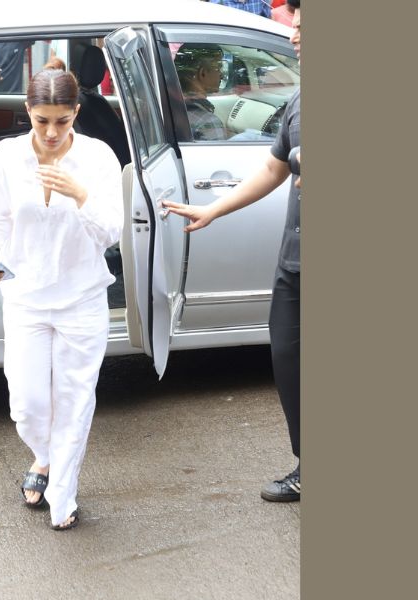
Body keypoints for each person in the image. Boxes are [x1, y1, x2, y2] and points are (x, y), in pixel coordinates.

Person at [163, 0, 302, 502]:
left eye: (304, 24)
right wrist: (215, 210)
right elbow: (273, 168)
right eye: (295, 22)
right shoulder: (302, 99)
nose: (294, 33)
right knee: (289, 361)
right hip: (295, 261)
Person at [0, 68, 123, 529]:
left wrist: (80, 195)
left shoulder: (97, 157)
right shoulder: (7, 155)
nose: (52, 132)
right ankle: (45, 455)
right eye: (42, 121)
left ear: (76, 112)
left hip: (82, 298)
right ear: (28, 112)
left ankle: (63, 494)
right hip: (26, 297)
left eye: (63, 120)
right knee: (27, 405)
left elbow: (111, 233)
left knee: (74, 399)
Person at [175, 43, 228, 141]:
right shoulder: (207, 122)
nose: (222, 75)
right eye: (218, 68)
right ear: (202, 73)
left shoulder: (169, 106)